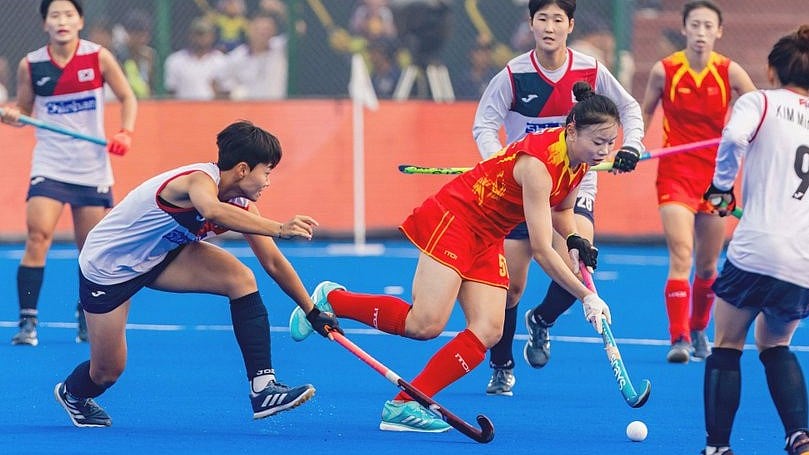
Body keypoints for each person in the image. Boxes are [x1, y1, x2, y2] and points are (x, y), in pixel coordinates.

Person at [290, 81, 617, 433]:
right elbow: (541, 250)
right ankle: (332, 299)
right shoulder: (539, 165)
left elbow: (563, 211)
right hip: (457, 219)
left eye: (611, 143)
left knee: (489, 329)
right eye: (598, 142)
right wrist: (587, 295)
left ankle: (405, 404)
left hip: (489, 234)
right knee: (424, 325)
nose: (604, 151)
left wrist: (574, 238)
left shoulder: (579, 161)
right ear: (572, 130)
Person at [53, 120, 342, 427]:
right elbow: (212, 211)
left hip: (162, 254)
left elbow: (272, 261)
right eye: (266, 172)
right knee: (107, 371)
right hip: (109, 267)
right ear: (243, 170)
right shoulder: (198, 181)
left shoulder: (241, 206)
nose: (268, 182)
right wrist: (280, 228)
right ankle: (71, 394)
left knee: (240, 279)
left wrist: (312, 311)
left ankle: (263, 389)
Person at [472, 0, 645, 396]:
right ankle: (501, 364)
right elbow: (484, 125)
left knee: (579, 263)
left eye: (557, 20)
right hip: (523, 187)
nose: (549, 27)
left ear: (570, 25)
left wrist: (631, 146)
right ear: (531, 24)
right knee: (512, 287)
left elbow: (629, 108)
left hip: (574, 184)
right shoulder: (513, 75)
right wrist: (502, 164)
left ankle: (542, 320)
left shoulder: (590, 70)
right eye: (542, 19)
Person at [699, 24, 809, 455]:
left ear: (771, 71)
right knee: (776, 343)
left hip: (757, 249)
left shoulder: (759, 102)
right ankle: (800, 436)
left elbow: (733, 137)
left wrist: (721, 187)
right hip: (803, 260)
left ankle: (718, 447)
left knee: (727, 343)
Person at [0, 0, 136, 346]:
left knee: (90, 249)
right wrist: (12, 115)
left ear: (80, 21)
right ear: (44, 24)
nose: (62, 21)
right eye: (54, 15)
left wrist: (125, 132)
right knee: (38, 236)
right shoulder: (31, 65)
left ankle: (85, 315)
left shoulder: (98, 57)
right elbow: (25, 110)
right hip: (50, 164)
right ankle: (28, 322)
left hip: (91, 167)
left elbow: (127, 97)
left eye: (68, 14)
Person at [639, 0, 755, 364]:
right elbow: (645, 110)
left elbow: (756, 111)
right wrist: (635, 144)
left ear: (718, 31)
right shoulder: (664, 70)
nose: (701, 32)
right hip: (675, 174)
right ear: (684, 28)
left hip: (717, 178)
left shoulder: (730, 72)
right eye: (695, 25)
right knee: (681, 254)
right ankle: (679, 338)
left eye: (708, 26)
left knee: (707, 266)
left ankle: (699, 328)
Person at [219, 13, 287, 100]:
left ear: (274, 32)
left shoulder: (280, 47)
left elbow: (298, 30)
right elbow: (218, 82)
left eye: (267, 29)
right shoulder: (237, 56)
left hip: (278, 105)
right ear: (250, 30)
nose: (263, 33)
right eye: (259, 29)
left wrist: (279, 10)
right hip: (249, 106)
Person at [164, 17, 228, 100]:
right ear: (190, 36)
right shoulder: (176, 60)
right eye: (198, 34)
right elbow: (171, 92)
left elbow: (226, 93)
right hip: (184, 106)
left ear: (212, 36)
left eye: (205, 34)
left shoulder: (221, 60)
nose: (201, 38)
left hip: (212, 107)